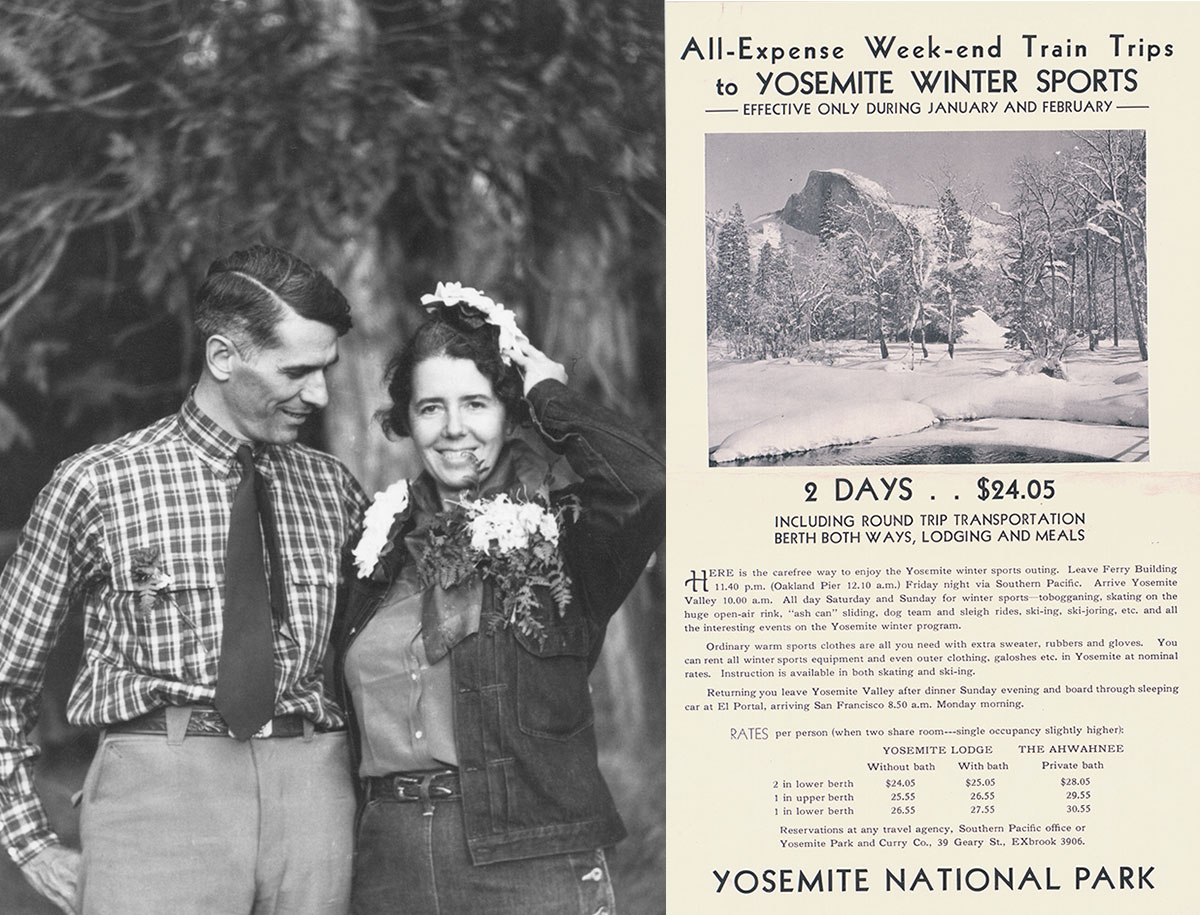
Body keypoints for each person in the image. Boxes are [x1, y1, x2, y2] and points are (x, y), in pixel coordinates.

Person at [0, 244, 368, 915]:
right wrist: (26, 836)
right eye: (297, 370)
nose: (317, 393)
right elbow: (7, 671)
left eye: (326, 371)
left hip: (314, 796)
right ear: (224, 357)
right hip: (160, 798)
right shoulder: (99, 484)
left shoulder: (336, 490)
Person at [335, 283, 665, 915]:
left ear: (509, 414)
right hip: (387, 861)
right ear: (406, 420)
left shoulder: (567, 535)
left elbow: (647, 484)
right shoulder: (375, 546)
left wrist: (548, 393)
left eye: (476, 404)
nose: (454, 429)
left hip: (530, 858)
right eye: (431, 407)